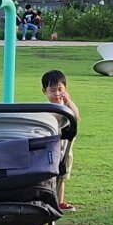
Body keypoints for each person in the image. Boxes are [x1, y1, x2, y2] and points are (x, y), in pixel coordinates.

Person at [41, 69, 80, 211]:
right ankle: (49, 200)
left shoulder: (66, 108)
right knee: (49, 177)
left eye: (60, 89)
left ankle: (60, 202)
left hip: (65, 152)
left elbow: (76, 116)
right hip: (49, 150)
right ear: (44, 91)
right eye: (52, 90)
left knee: (61, 177)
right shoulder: (45, 108)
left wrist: (68, 100)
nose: (57, 94)